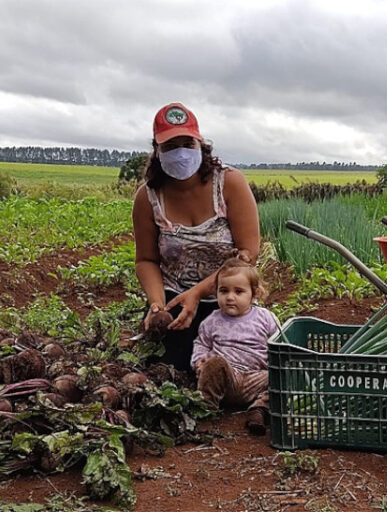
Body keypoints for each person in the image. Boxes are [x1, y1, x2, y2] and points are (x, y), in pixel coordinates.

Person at [133, 102, 260, 371]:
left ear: (200, 144)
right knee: (169, 368)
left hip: (226, 294)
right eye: (170, 146)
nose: (180, 152)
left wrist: (199, 292)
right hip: (174, 297)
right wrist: (158, 305)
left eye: (187, 144)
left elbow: (248, 254)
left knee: (238, 362)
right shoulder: (148, 197)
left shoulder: (230, 183)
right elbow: (146, 259)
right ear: (157, 151)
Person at [190, 257, 278, 435]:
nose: (230, 297)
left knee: (281, 376)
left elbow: (279, 344)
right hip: (228, 380)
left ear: (253, 294)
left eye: (238, 292)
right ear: (216, 293)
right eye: (224, 291)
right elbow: (201, 344)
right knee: (215, 363)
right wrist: (200, 361)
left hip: (257, 379)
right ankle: (206, 411)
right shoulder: (212, 321)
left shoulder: (266, 318)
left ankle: (259, 410)